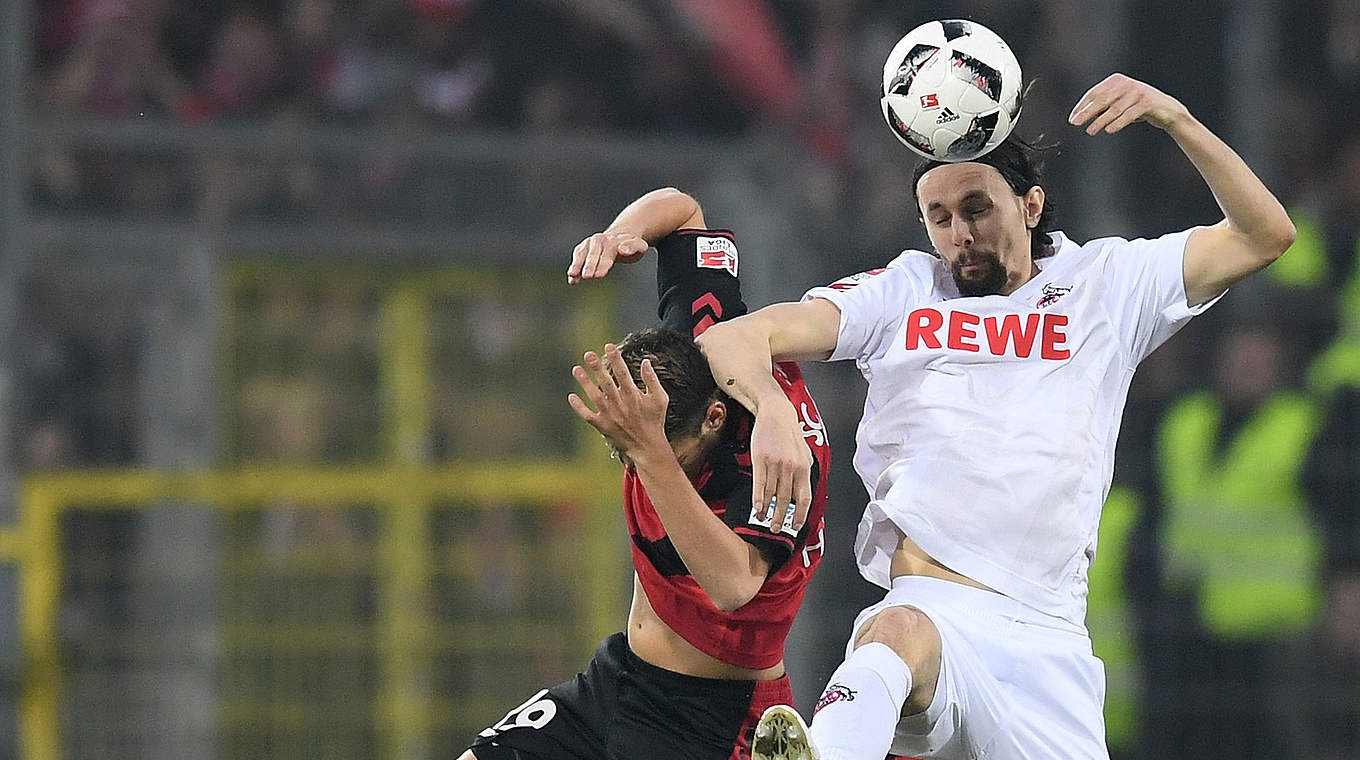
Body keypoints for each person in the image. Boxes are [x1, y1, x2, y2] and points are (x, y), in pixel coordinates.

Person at [693, 73, 1298, 760]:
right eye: (939, 216)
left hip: (1047, 638)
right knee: (890, 640)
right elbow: (729, 338)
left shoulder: (1109, 284)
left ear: (1031, 203)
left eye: (976, 208)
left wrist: (1176, 117)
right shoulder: (902, 291)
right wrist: (771, 408)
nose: (959, 235)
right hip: (932, 608)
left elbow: (1265, 235)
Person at [461, 187, 831, 760]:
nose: (640, 465)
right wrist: (619, 234)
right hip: (618, 681)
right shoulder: (703, 346)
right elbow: (682, 209)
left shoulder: (778, 460)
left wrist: (653, 457)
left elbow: (735, 585)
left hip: (713, 718)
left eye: (657, 448)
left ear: (713, 419)